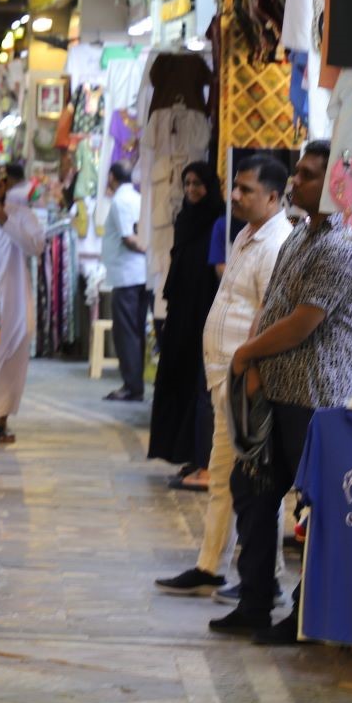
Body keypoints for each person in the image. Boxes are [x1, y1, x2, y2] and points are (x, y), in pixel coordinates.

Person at [212, 140, 352, 644]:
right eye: (299, 173)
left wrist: (246, 353)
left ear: (335, 185)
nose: (295, 182)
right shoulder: (301, 236)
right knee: (254, 493)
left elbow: (304, 322)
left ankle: (308, 615)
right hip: (277, 393)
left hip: (316, 397)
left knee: (319, 509)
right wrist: (254, 359)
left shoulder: (345, 245)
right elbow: (274, 305)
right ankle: (256, 599)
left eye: (306, 175)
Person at [156, 156, 293, 598]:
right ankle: (209, 564)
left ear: (273, 197)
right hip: (224, 376)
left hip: (247, 380)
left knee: (255, 481)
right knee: (222, 474)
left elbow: (271, 318)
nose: (235, 196)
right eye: (235, 187)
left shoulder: (276, 245)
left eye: (246, 190)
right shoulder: (244, 237)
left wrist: (249, 371)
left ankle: (264, 577)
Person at [148, 162, 224, 474]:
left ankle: (202, 457)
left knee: (200, 386)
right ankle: (184, 453)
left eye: (198, 184)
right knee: (179, 379)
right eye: (188, 183)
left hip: (205, 312)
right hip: (181, 313)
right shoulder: (184, 219)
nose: (192, 189)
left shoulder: (219, 220)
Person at [0, 161, 44, 445]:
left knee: (12, 362)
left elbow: (36, 247)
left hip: (15, 300)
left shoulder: (22, 214)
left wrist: (5, 220)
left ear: (5, 186)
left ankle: (2, 423)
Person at [101, 162, 149, 402]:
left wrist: (148, 250)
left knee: (126, 332)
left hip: (126, 276)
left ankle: (131, 386)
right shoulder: (137, 198)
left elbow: (129, 237)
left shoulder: (120, 201)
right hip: (139, 275)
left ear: (111, 177)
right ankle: (134, 383)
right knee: (135, 330)